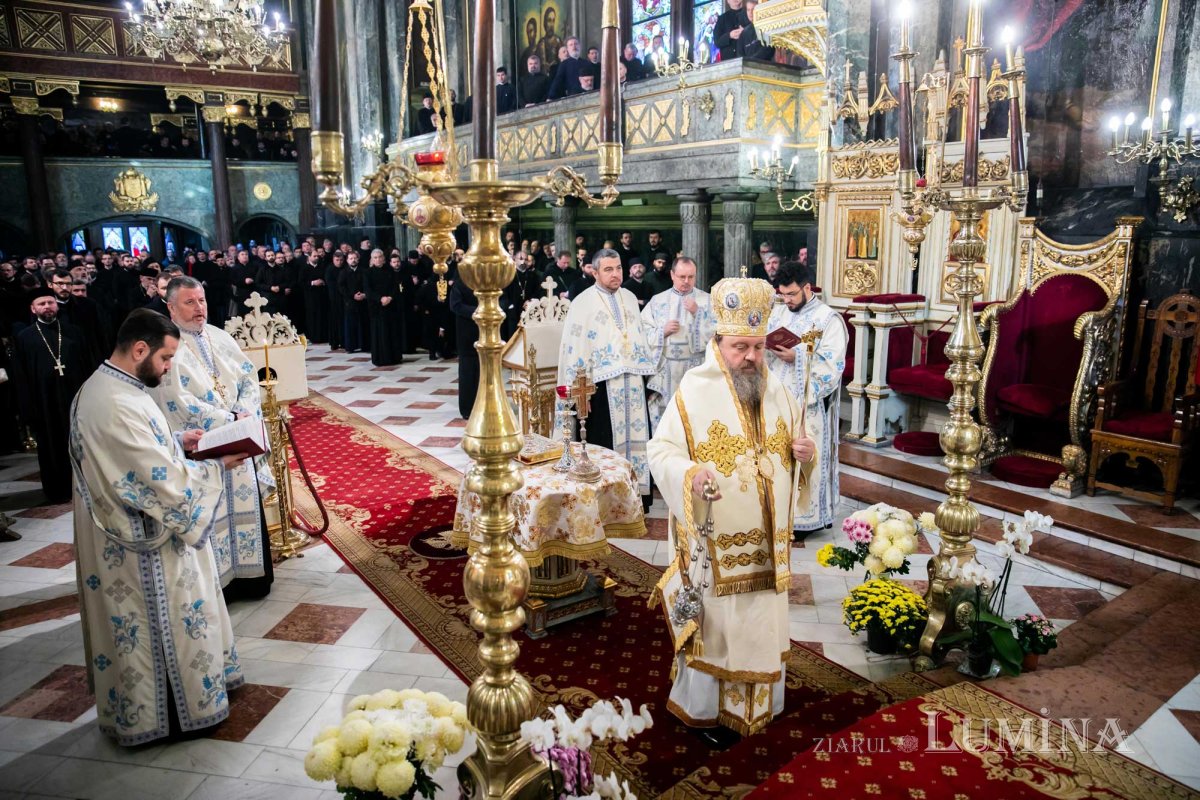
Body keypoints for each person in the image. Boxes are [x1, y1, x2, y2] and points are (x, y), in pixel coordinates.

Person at [648, 274, 817, 747]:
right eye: (741, 347)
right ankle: (707, 710)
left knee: (761, 620)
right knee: (721, 628)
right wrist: (691, 477)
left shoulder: (775, 388)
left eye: (759, 348)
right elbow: (660, 451)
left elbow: (795, 442)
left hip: (767, 542)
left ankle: (761, 706)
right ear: (718, 342)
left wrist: (806, 453)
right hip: (716, 541)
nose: (751, 358)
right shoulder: (693, 389)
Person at [71, 308, 249, 745]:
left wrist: (179, 443)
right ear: (139, 350)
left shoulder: (113, 386)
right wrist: (216, 467)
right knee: (157, 630)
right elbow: (154, 479)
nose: (169, 368)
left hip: (135, 533)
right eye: (166, 359)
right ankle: (167, 716)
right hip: (139, 546)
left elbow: (141, 455)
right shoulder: (112, 403)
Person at [151, 276, 274, 599]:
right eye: (189, 302)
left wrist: (244, 412)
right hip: (203, 446)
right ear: (171, 307)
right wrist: (228, 418)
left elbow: (249, 377)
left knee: (244, 506)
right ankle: (223, 586)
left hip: (239, 437)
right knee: (214, 512)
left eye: (201, 300)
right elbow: (175, 400)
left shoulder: (220, 337)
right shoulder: (168, 346)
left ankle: (252, 579)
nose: (199, 308)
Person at [557, 249, 656, 508]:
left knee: (636, 441)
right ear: (595, 272)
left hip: (632, 383)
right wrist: (581, 391)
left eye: (619, 268)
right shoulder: (583, 302)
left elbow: (639, 337)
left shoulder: (631, 298)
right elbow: (575, 347)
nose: (616, 274)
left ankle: (633, 499)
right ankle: (604, 503)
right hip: (599, 387)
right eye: (609, 269)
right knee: (604, 441)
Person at [765, 261, 847, 536]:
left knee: (803, 457)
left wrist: (796, 356)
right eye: (782, 295)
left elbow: (833, 366)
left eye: (791, 294)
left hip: (808, 407)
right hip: (777, 400)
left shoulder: (828, 320)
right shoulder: (779, 312)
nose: (786, 300)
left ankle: (805, 519)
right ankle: (778, 513)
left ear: (807, 288)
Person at [13, 289, 95, 503]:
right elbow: (20, 376)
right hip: (44, 403)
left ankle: (87, 486)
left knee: (81, 443)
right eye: (42, 304)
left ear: (56, 305)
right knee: (51, 447)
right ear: (33, 308)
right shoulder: (25, 338)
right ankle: (57, 491)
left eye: (50, 302)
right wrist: (27, 409)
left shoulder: (74, 332)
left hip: (75, 398)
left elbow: (88, 365)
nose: (47, 307)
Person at [641, 257, 716, 432]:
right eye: (682, 276)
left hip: (696, 369)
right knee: (666, 418)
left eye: (691, 277)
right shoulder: (657, 301)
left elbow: (719, 334)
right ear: (672, 275)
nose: (686, 281)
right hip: (666, 369)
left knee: (695, 417)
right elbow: (641, 331)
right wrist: (662, 332)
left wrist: (698, 313)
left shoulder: (707, 300)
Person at [48, 268, 106, 366]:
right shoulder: (46, 307)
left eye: (68, 284)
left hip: (86, 355)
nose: (64, 287)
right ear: (50, 285)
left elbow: (100, 333)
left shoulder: (88, 304)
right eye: (60, 284)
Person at [365, 249, 406, 366]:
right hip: (376, 307)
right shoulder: (368, 273)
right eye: (375, 258)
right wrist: (380, 299)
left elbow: (395, 287)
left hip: (390, 306)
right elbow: (368, 290)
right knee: (379, 332)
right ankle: (380, 358)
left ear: (383, 258)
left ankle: (394, 357)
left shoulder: (390, 271)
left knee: (392, 330)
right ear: (372, 260)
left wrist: (390, 298)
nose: (378, 260)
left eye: (380, 257)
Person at [449, 279, 479, 419]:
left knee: (484, 372)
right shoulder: (460, 283)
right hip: (466, 332)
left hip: (485, 332)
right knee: (468, 373)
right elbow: (455, 305)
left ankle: (484, 406)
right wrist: (477, 311)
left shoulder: (486, 279)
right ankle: (467, 409)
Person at [502, 250, 544, 338]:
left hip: (529, 311)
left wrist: (530, 301)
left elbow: (538, 292)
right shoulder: (508, 276)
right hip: (513, 312)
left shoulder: (533, 276)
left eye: (525, 259)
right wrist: (510, 305)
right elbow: (503, 293)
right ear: (514, 259)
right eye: (520, 259)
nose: (523, 261)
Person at [339, 250, 369, 353]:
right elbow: (341, 287)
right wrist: (352, 296)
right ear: (347, 260)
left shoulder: (364, 271)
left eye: (355, 258)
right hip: (350, 302)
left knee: (363, 324)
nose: (353, 260)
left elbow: (367, 285)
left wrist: (364, 295)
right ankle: (351, 346)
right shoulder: (343, 272)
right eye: (351, 258)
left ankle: (365, 345)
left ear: (358, 259)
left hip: (363, 301)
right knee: (351, 325)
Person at [301, 251, 330, 343]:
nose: (316, 257)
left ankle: (324, 336)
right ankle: (314, 337)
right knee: (312, 317)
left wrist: (323, 282)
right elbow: (301, 283)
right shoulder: (304, 269)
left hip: (322, 296)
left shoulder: (323, 267)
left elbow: (327, 279)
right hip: (310, 297)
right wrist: (313, 283)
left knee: (323, 316)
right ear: (309, 257)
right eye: (314, 256)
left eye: (317, 256)